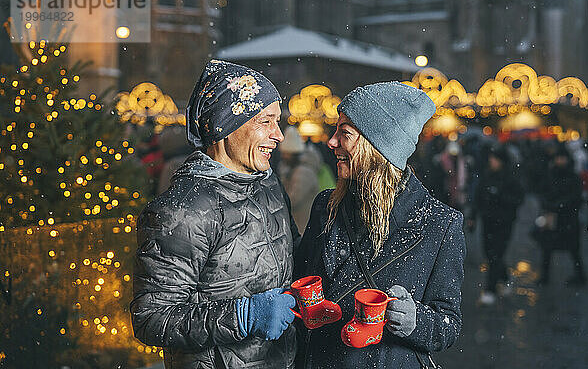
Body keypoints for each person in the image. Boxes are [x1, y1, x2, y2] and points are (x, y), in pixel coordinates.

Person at [131, 60, 299, 369]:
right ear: (227, 124)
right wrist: (244, 316)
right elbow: (152, 318)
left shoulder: (268, 183)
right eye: (265, 121)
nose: (279, 135)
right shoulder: (183, 209)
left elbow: (291, 255)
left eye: (278, 122)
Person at [294, 82, 466, 368]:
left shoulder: (439, 224)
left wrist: (414, 320)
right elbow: (302, 277)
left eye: (345, 133)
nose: (332, 142)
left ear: (377, 147)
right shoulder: (326, 206)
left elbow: (448, 324)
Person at [473, 146, 524, 305]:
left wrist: (500, 195)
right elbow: (478, 196)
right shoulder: (487, 175)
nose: (492, 161)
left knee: (496, 254)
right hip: (488, 221)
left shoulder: (511, 178)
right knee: (489, 253)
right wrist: (472, 217)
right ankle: (505, 276)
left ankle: (490, 290)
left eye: (495, 159)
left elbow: (518, 198)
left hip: (504, 222)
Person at [536, 145, 586, 286]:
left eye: (562, 158)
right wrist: (548, 205)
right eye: (558, 158)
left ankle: (580, 276)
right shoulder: (550, 175)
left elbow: (575, 198)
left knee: (574, 250)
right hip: (552, 217)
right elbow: (543, 192)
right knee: (547, 248)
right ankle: (544, 277)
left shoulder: (573, 177)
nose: (560, 161)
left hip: (568, 219)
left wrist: (559, 206)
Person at [278, 126, 322, 233]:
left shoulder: (303, 172)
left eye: (286, 153)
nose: (283, 156)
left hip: (303, 226)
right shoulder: (291, 169)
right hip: (299, 224)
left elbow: (293, 200)